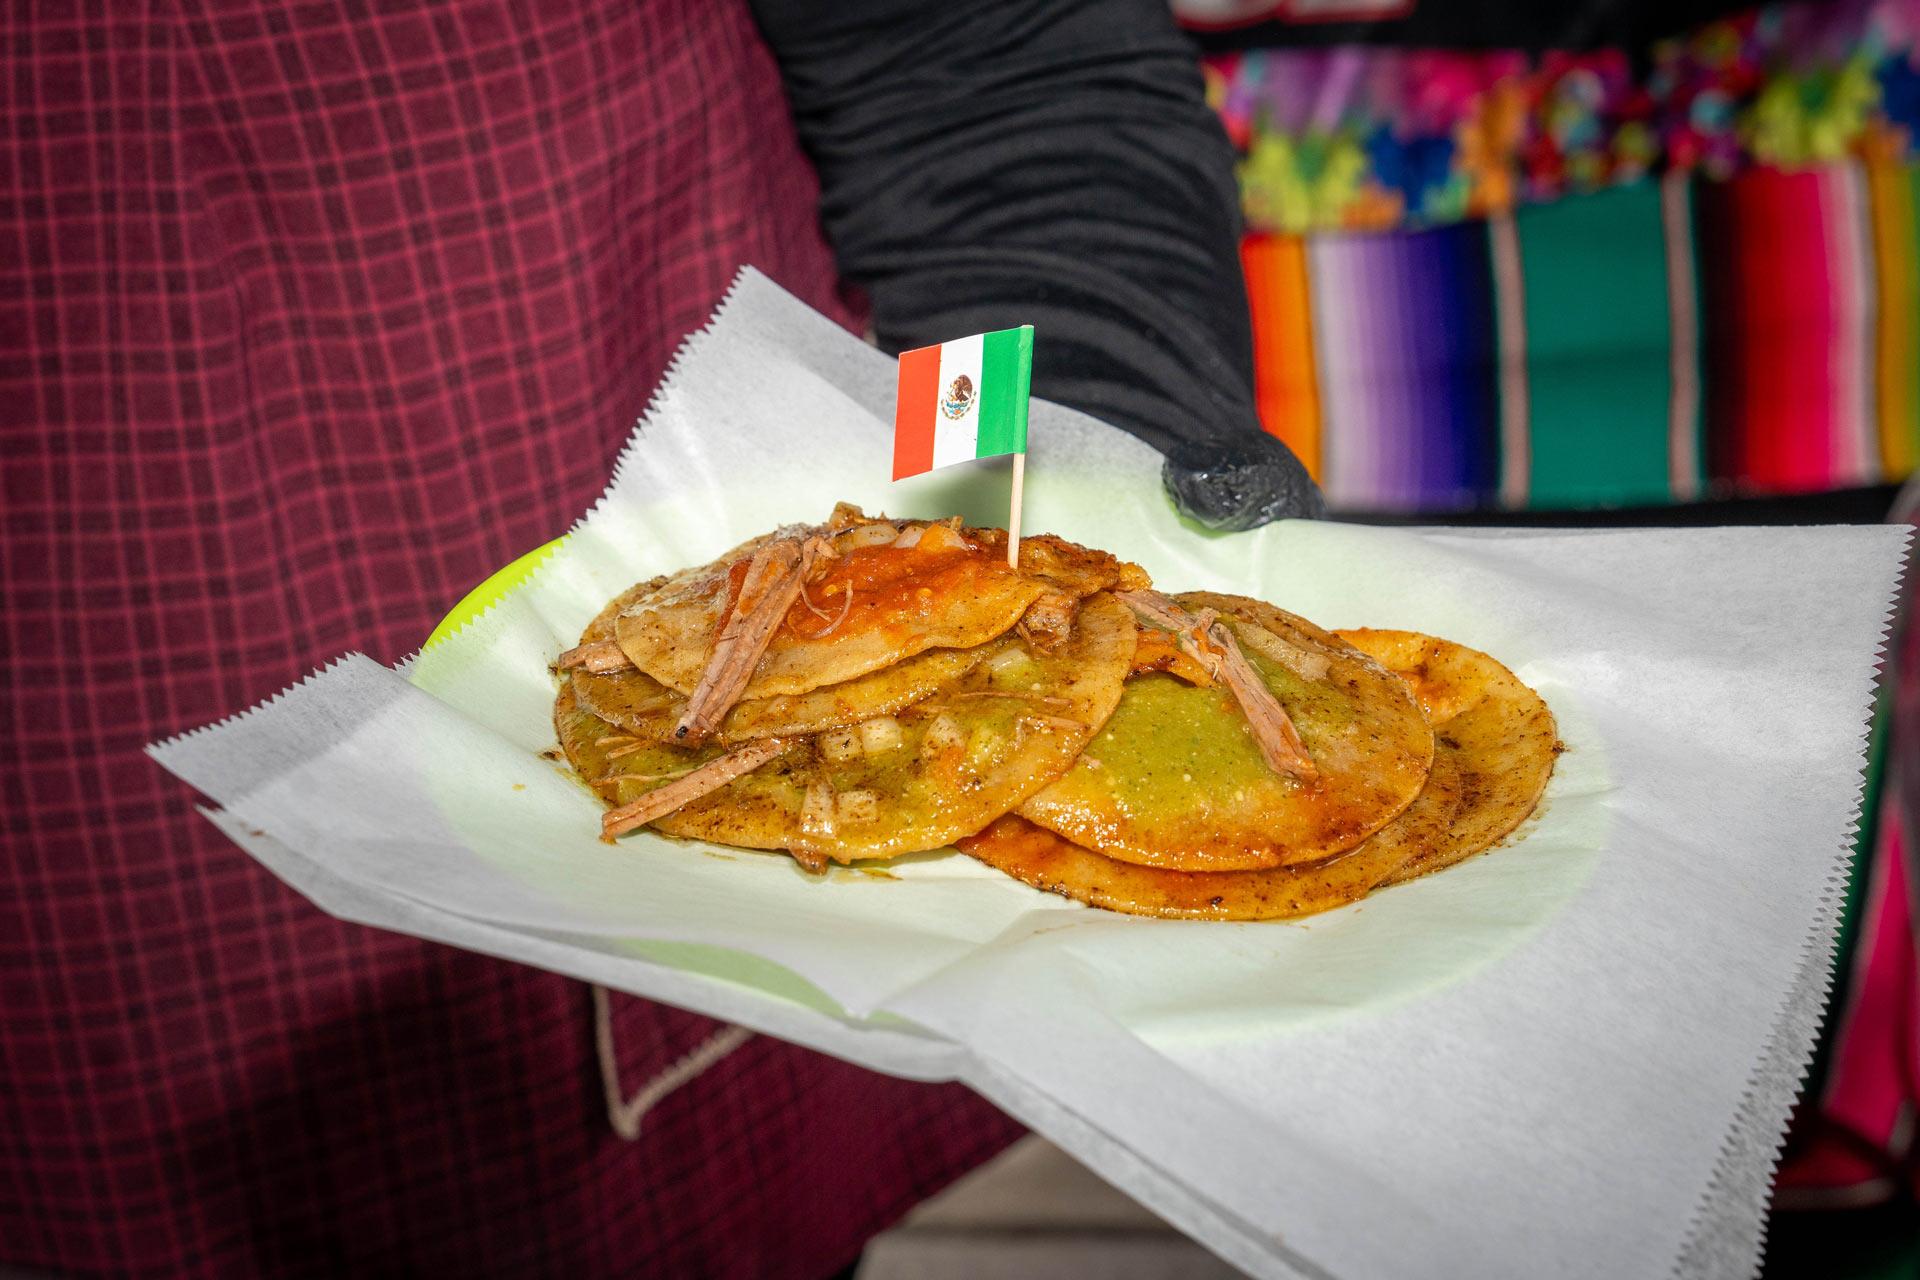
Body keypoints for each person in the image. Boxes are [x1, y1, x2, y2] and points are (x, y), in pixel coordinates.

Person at [0, 1, 1313, 1274]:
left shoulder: (978, 543)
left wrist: (1021, 507)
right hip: (87, 883)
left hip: (747, 820)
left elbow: (976, 74)